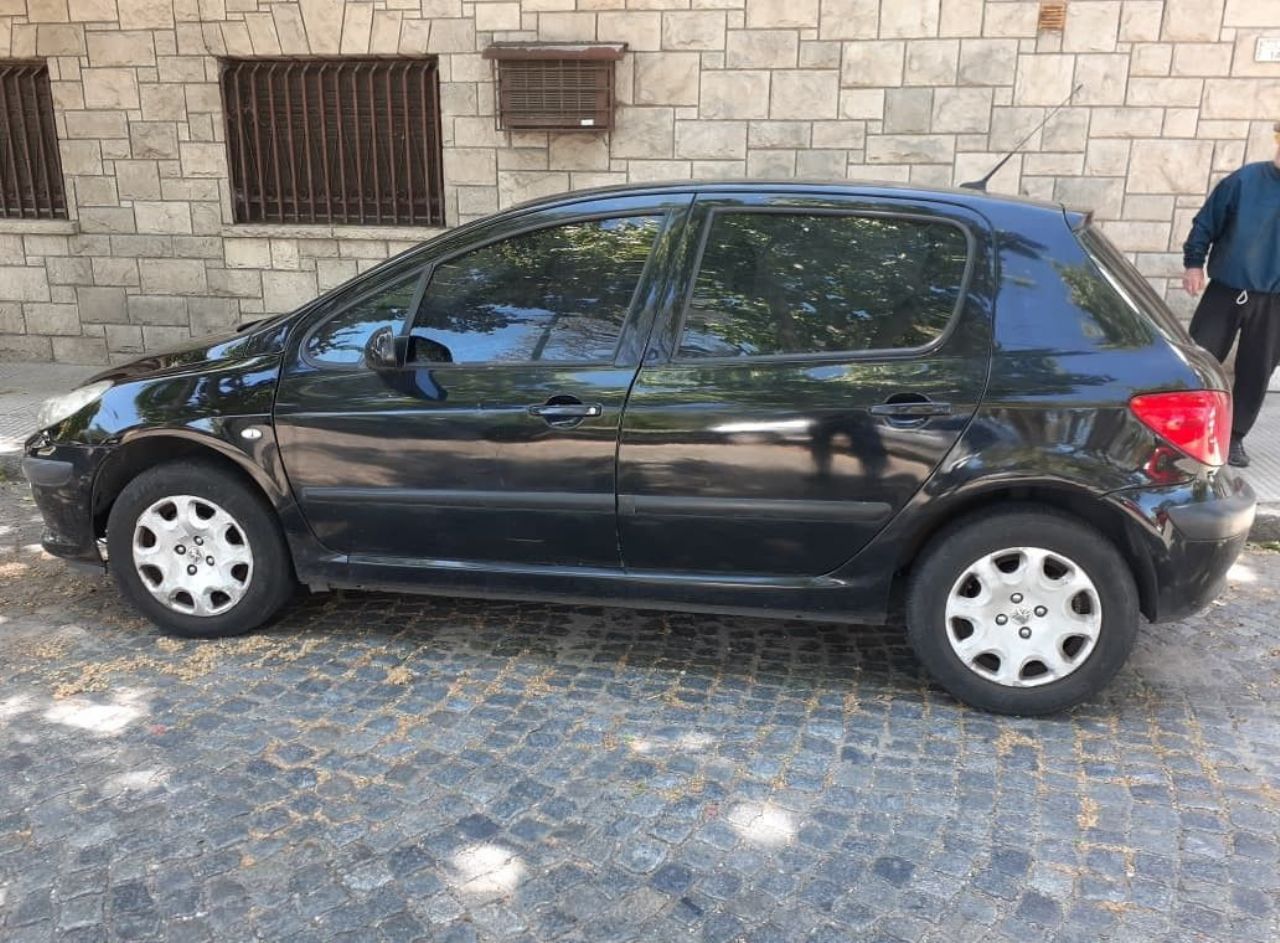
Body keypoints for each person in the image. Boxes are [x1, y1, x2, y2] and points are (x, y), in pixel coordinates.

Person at [1182, 124, 1280, 468]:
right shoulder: (1244, 181)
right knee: (1198, 359)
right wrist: (1194, 263)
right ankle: (1184, 427)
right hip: (1226, 290)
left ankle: (1233, 437)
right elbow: (1206, 222)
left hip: (1274, 301)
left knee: (1256, 371)